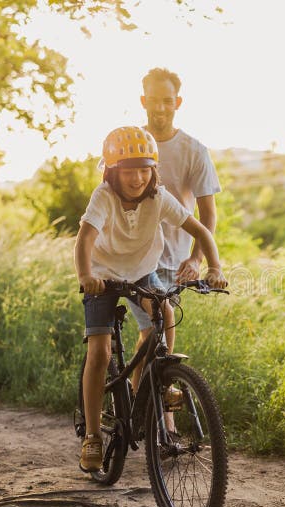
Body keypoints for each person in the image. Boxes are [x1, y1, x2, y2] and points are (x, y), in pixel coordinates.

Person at [75, 125, 227, 473]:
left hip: (143, 271)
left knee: (165, 313)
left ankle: (159, 384)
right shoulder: (103, 197)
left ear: (153, 170)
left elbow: (200, 230)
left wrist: (213, 266)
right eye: (129, 170)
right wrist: (86, 277)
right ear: (113, 171)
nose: (138, 177)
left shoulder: (158, 196)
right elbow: (84, 240)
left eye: (145, 169)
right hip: (104, 276)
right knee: (99, 352)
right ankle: (94, 436)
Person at [126, 68, 222, 388]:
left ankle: (152, 413)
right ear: (143, 101)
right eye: (153, 100)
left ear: (178, 102)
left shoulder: (194, 151)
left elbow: (207, 214)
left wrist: (197, 260)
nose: (160, 108)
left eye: (167, 101)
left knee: (162, 342)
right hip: (135, 260)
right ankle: (154, 418)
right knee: (152, 331)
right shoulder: (131, 145)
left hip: (175, 262)